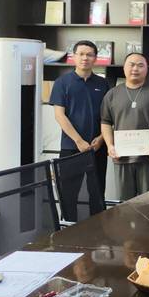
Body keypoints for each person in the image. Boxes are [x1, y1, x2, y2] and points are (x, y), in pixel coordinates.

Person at [50, 40, 109, 219]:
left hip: (97, 148)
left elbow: (109, 117)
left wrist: (101, 139)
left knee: (97, 194)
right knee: (69, 194)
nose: (85, 58)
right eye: (81, 54)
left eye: (89, 55)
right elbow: (60, 115)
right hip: (71, 148)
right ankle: (69, 230)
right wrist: (78, 141)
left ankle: (98, 231)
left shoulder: (103, 84)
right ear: (74, 57)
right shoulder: (62, 82)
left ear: (95, 58)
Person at [101, 52, 149, 200]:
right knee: (124, 202)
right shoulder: (112, 94)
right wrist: (110, 145)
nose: (135, 69)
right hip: (121, 157)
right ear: (124, 68)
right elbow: (106, 122)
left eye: (140, 65)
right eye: (131, 65)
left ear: (147, 69)